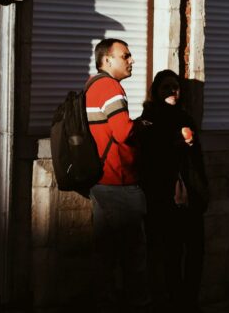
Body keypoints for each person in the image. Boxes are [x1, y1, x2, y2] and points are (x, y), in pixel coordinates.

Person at [86, 38, 150, 313]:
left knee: (106, 254)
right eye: (126, 55)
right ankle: (137, 304)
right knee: (135, 254)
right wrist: (143, 125)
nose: (131, 60)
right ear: (107, 60)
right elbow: (123, 132)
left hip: (101, 180)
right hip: (120, 181)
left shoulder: (91, 85)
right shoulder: (110, 87)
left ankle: (105, 303)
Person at [138, 70, 209, 313]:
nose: (172, 91)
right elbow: (148, 159)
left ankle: (189, 301)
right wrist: (173, 144)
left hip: (191, 198)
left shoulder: (186, 118)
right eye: (166, 87)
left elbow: (197, 162)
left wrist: (202, 193)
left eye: (175, 87)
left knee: (195, 252)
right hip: (162, 199)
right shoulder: (147, 120)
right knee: (169, 253)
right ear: (156, 91)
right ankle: (172, 302)